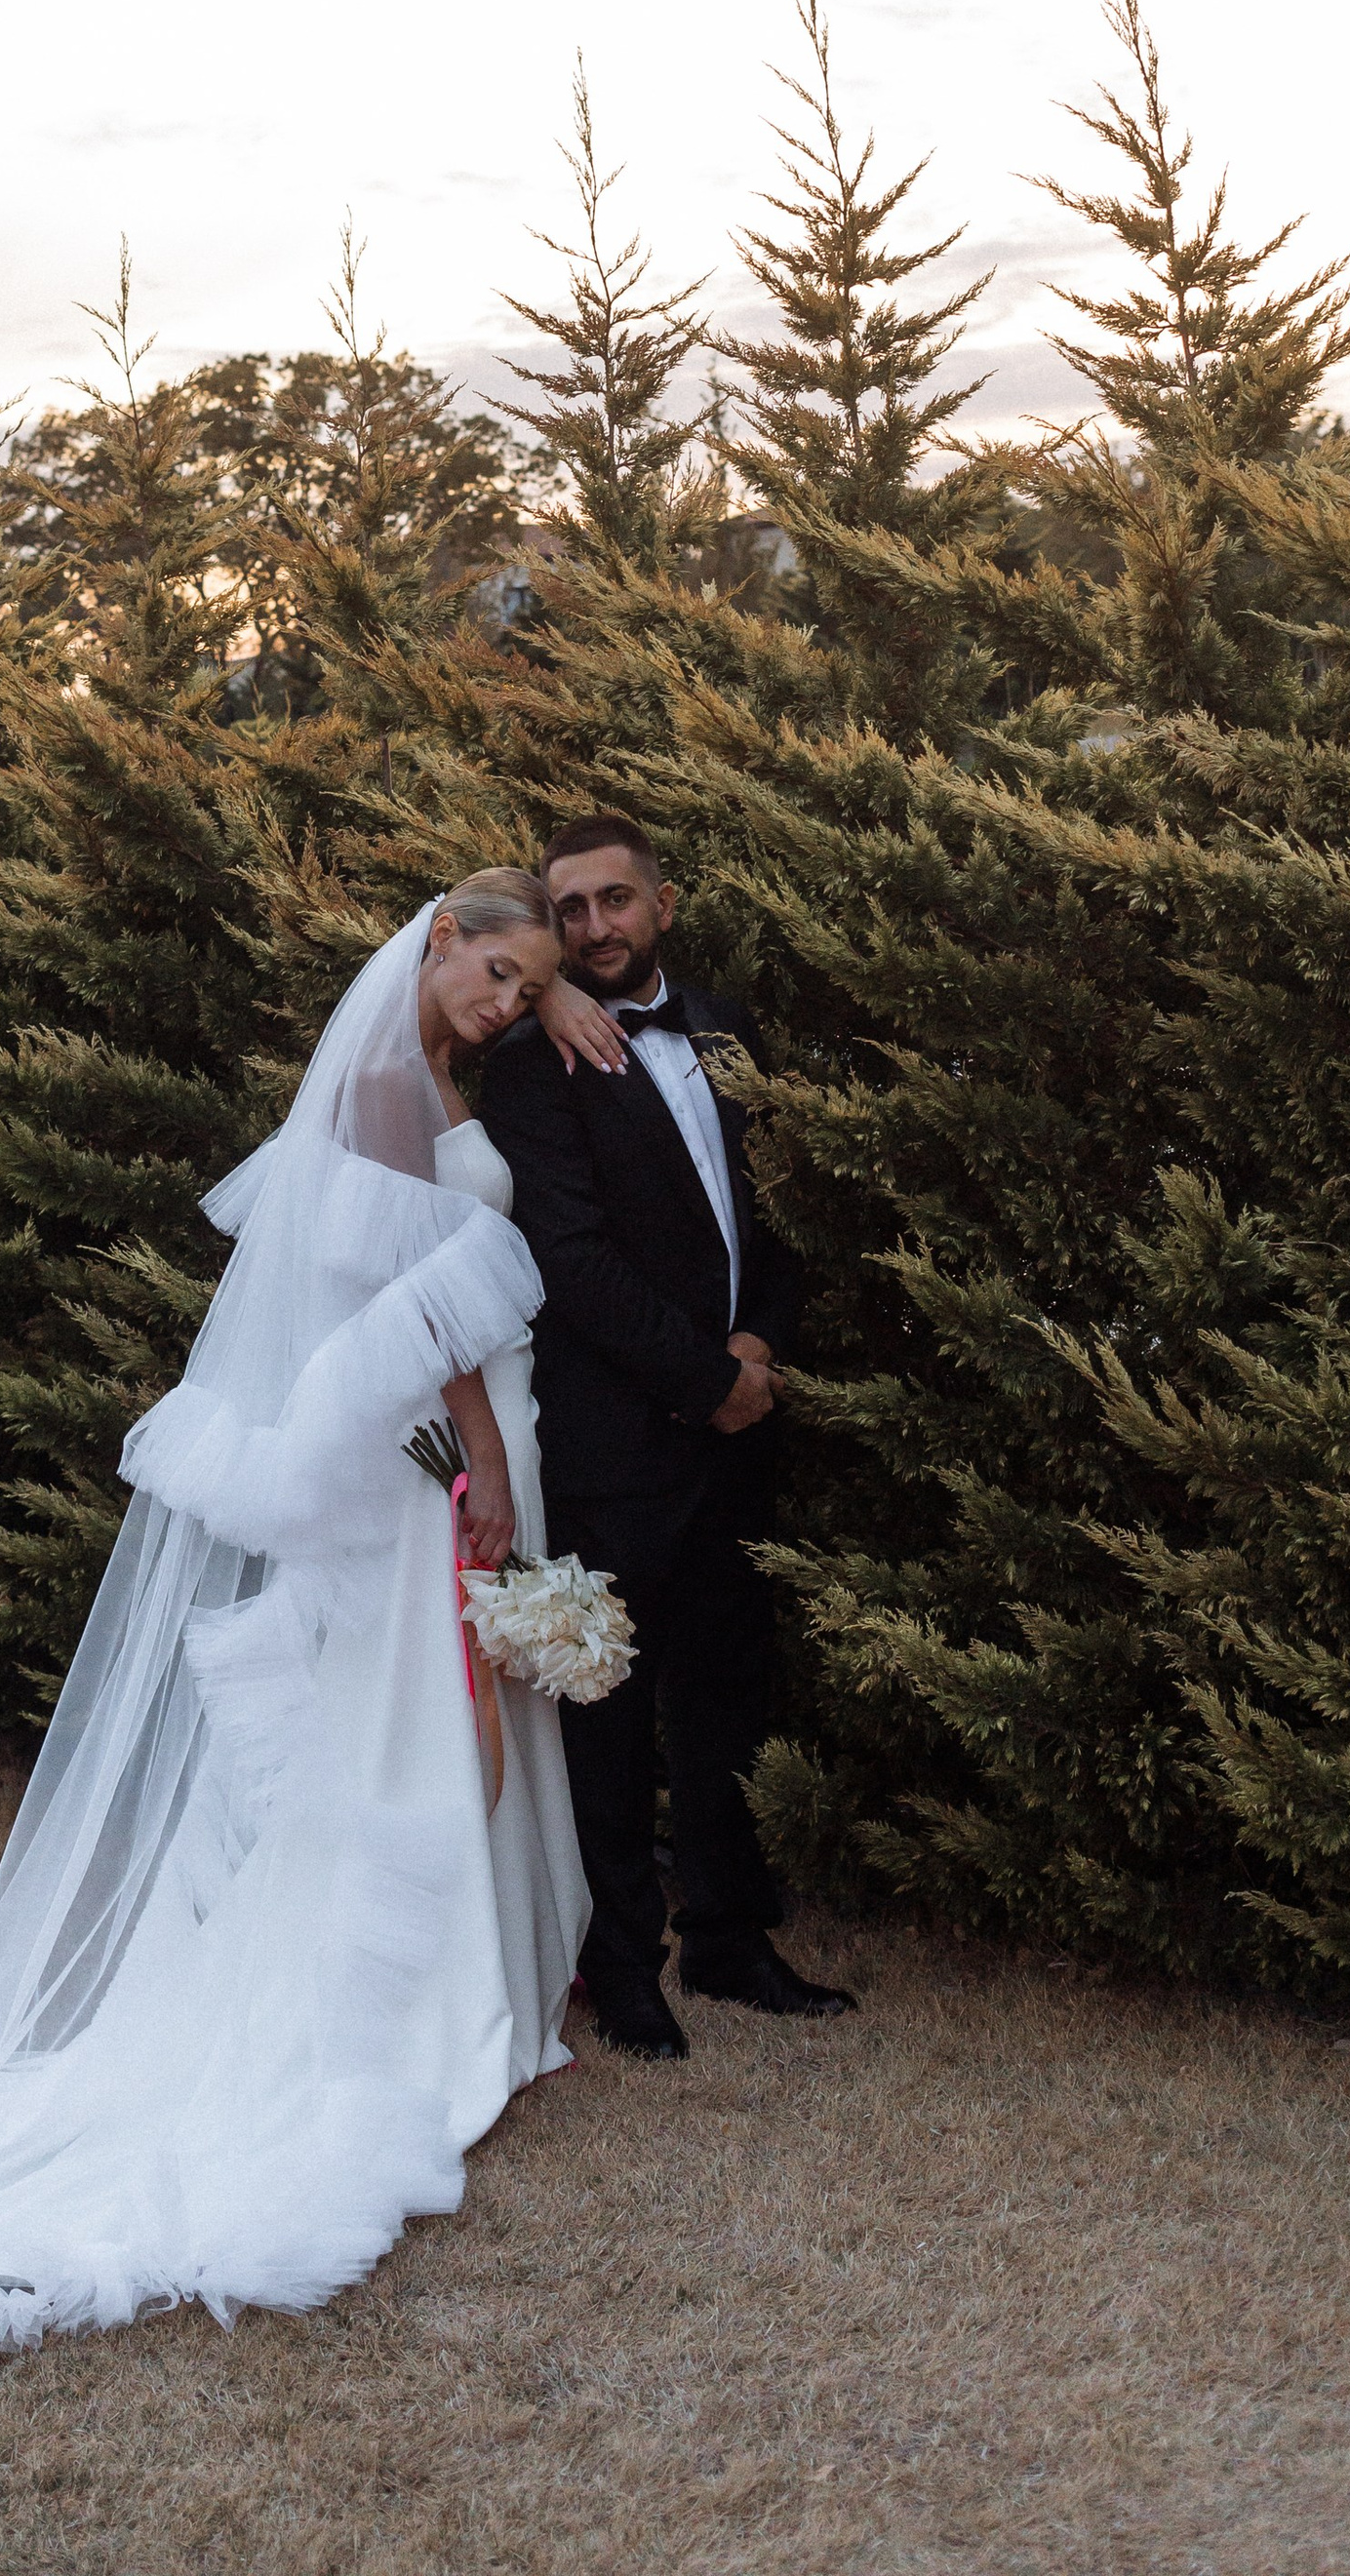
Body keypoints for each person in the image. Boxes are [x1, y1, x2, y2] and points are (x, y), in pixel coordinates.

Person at [0, 873, 604, 2354]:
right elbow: (431, 1308)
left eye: (533, 988)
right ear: (439, 941)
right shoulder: (395, 1096)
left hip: (424, 1459)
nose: (509, 1004)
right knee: (421, 1716)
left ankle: (475, 1990)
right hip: (429, 1468)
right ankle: (424, 2011)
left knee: (420, 1714)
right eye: (501, 974)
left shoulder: (419, 1076)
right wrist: (479, 1470)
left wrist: (565, 992)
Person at [481, 813, 855, 2058]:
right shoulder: (533, 1066)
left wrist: (761, 1347)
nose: (593, 927)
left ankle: (733, 1941)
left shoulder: (731, 1029)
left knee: (726, 1694)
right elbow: (569, 1260)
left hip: (737, 1425)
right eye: (569, 909)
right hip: (613, 1437)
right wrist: (704, 1378)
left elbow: (783, 1208)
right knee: (604, 1714)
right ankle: (623, 1967)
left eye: (613, 902)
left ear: (663, 904)